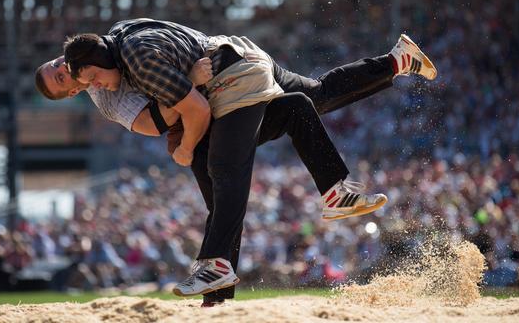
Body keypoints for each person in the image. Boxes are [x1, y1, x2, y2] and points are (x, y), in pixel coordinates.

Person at [35, 18, 437, 304]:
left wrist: (185, 134)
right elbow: (149, 124)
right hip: (236, 59)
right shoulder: (106, 78)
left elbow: (188, 112)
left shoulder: (132, 59)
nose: (68, 73)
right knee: (310, 100)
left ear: (83, 64)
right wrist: (184, 88)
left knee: (221, 171)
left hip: (230, 77)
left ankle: (215, 267)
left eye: (60, 68)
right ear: (71, 91)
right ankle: (397, 62)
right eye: (61, 79)